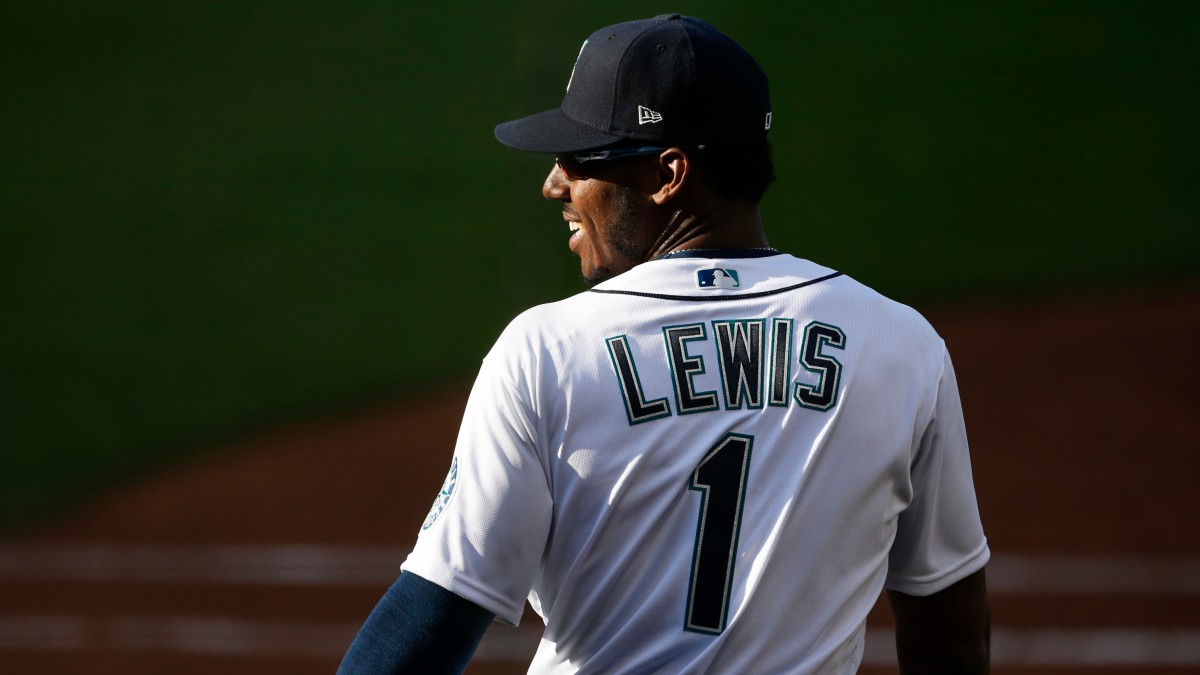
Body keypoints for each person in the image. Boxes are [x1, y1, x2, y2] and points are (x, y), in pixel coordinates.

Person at [339, 13, 990, 674]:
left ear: (668, 173)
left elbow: (431, 619)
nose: (555, 183)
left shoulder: (549, 351)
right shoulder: (899, 344)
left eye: (581, 158)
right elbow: (950, 626)